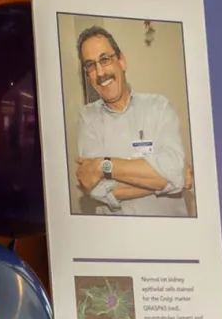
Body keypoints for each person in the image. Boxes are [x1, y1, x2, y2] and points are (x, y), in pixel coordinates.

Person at [72, 26, 190, 216]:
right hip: (117, 240)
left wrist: (103, 166)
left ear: (122, 60)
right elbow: (95, 189)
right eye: (91, 65)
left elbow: (174, 171)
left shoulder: (158, 107)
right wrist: (169, 181)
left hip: (169, 235)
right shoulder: (87, 118)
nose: (100, 72)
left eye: (104, 59)